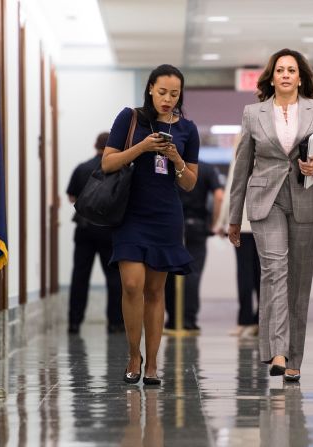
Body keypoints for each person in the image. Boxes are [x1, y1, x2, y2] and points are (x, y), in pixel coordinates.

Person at [228, 48, 313, 381]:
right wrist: (235, 217)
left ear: (300, 76)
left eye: (291, 70)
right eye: (279, 70)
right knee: (274, 270)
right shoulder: (254, 113)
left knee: (298, 281)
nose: (285, 75)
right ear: (272, 76)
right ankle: (277, 352)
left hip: (305, 196)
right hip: (266, 200)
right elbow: (241, 168)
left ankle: (294, 358)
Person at [102, 64, 200, 385]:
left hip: (165, 216)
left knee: (156, 290)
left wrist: (176, 159)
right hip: (130, 213)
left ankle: (153, 363)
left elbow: (189, 183)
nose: (168, 99)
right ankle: (134, 353)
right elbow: (108, 162)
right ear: (150, 89)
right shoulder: (129, 118)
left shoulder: (188, 129)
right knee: (132, 285)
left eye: (174, 94)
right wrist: (143, 147)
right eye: (162, 92)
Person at [66, 132, 125, 335]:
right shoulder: (120, 168)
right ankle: (115, 323)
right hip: (109, 230)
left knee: (80, 276)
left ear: (94, 145)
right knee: (115, 278)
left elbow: (72, 196)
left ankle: (74, 322)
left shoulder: (82, 168)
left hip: (84, 229)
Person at [164, 160, 224, 333]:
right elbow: (219, 196)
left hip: (172, 225)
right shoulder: (207, 168)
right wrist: (214, 224)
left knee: (169, 273)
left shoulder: (169, 166)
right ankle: (189, 320)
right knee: (193, 273)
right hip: (197, 226)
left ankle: (173, 320)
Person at [216, 143, 261, 339]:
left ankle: (245, 321)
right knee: (262, 275)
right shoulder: (267, 159)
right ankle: (259, 322)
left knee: (245, 274)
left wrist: (222, 222)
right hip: (262, 224)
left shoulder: (239, 159)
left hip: (242, 226)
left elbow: (230, 194)